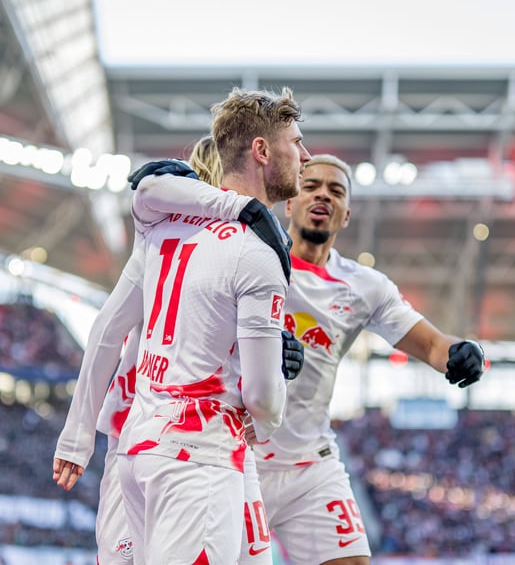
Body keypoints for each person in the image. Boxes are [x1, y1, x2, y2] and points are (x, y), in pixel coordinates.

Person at [127, 153, 486, 564]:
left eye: (336, 191)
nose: (323, 196)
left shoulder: (364, 286)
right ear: (291, 201)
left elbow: (432, 344)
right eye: (312, 185)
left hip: (311, 466)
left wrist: (462, 352)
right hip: (239, 459)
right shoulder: (248, 256)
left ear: (346, 214)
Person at [54, 96, 309, 564]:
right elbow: (260, 396)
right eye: (297, 144)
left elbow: (110, 328)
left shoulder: (161, 229)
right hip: (193, 452)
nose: (305, 156)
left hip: (150, 442)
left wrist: (274, 350)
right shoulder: (245, 249)